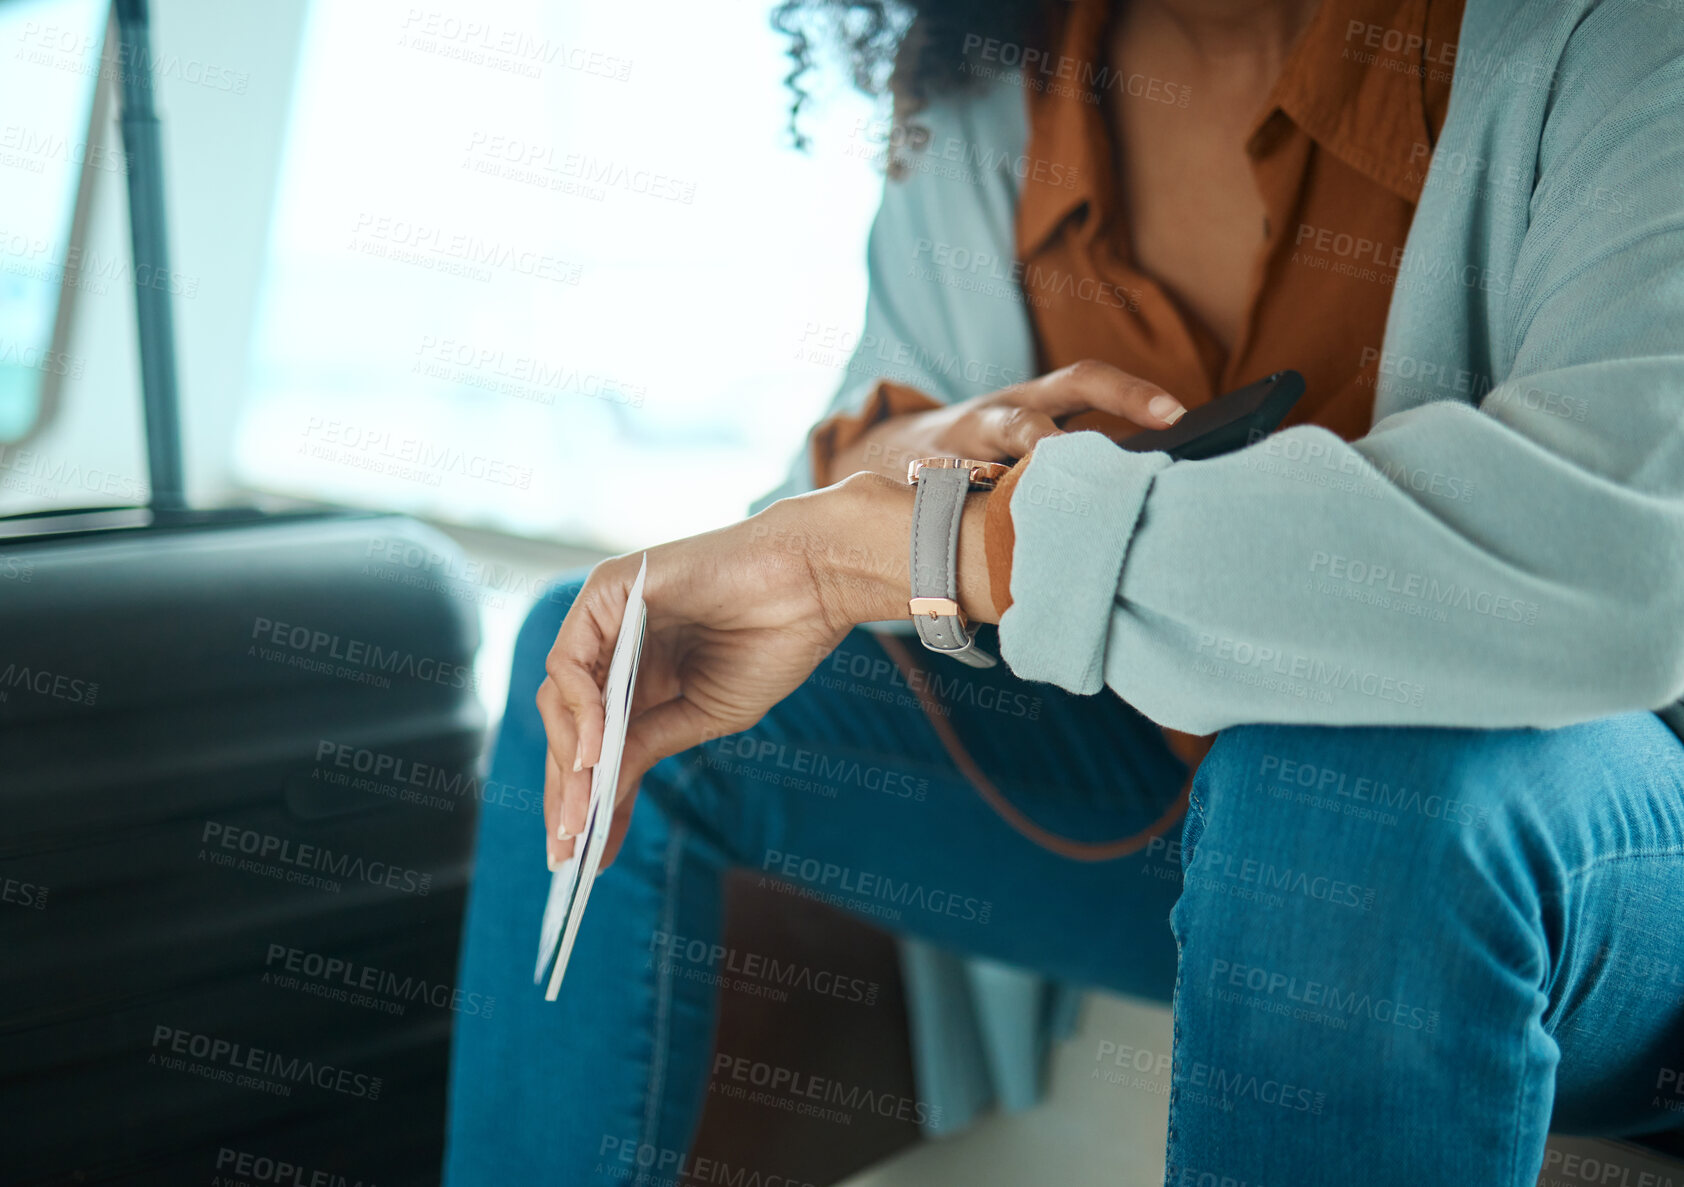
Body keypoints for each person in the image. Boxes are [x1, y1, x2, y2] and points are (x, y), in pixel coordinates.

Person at [444, 0, 1684, 1182]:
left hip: (1561, 875)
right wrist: (917, 475)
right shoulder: (988, 70)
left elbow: (1621, 566)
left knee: (1342, 785)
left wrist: (936, 545)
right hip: (1184, 834)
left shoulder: (1616, 37)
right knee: (622, 651)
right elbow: (837, 491)